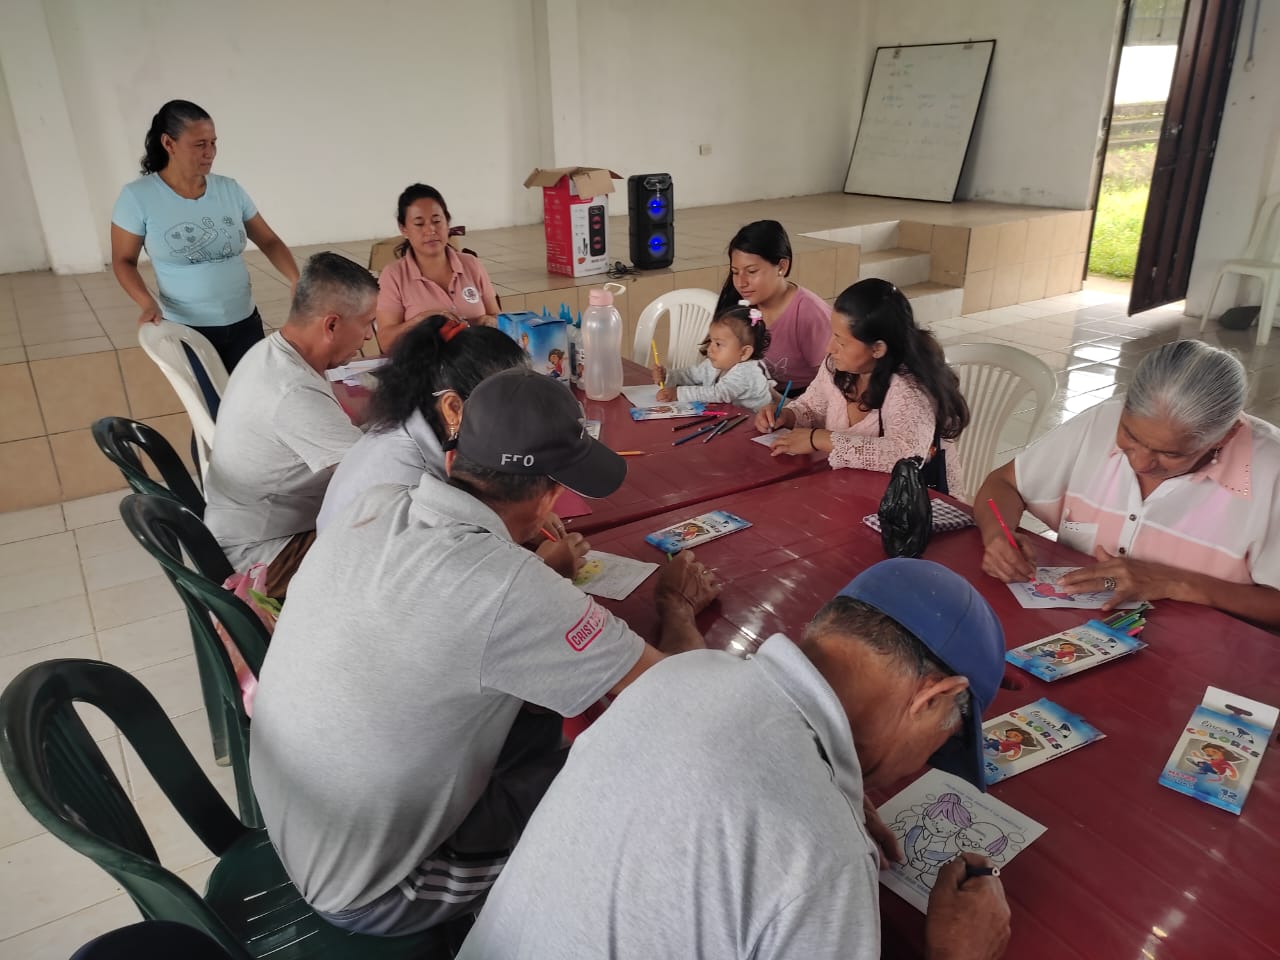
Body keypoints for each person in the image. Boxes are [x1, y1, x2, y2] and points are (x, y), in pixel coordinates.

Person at [248, 367, 721, 938]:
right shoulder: (508, 585)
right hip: (376, 886)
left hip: (298, 816)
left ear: (454, 459)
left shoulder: (378, 502)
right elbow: (678, 696)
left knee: (541, 716)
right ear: (550, 497)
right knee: (642, 788)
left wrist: (542, 581)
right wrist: (676, 607)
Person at [457, 559, 1012, 960]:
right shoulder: (824, 857)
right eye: (942, 740)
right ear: (933, 697)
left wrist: (825, 795)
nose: (924, 762)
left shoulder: (685, 674)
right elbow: (787, 835)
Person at [976, 339, 1280, 627]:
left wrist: (1177, 583)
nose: (1141, 463)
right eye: (1130, 436)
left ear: (1226, 436)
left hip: (1208, 650)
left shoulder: (1271, 471)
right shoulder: (1102, 420)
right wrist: (997, 535)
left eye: (1170, 453)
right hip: (1078, 629)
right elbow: (1003, 484)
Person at [315, 315, 586, 576]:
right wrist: (543, 570)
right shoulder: (407, 479)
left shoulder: (426, 425)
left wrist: (519, 512)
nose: (514, 425)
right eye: (504, 409)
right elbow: (447, 581)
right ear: (454, 408)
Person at [202, 252, 377, 596]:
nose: (370, 336)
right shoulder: (293, 392)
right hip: (264, 556)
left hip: (246, 526)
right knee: (399, 545)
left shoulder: (269, 352)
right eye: (367, 323)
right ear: (331, 325)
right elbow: (374, 479)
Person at [110, 100, 298, 375]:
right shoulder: (138, 197)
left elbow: (269, 241)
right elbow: (123, 261)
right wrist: (147, 303)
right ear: (169, 143)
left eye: (213, 143)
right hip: (187, 330)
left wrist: (296, 278)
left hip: (245, 322)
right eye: (199, 144)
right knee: (210, 401)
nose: (210, 152)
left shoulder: (229, 189)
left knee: (253, 398)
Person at [755, 278, 969, 498]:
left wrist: (818, 439)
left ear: (877, 349)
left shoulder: (910, 388)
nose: (830, 347)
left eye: (841, 341)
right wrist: (786, 416)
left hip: (911, 505)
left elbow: (905, 454)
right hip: (850, 491)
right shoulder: (837, 366)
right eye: (832, 334)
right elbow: (812, 407)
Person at [374, 183, 501, 350]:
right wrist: (423, 321)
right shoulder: (394, 275)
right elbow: (386, 343)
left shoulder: (471, 264)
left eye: (437, 221)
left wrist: (489, 321)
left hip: (476, 358)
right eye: (419, 224)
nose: (431, 230)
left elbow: (497, 316)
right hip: (423, 364)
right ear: (404, 229)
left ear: (447, 223)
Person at [714, 220, 831, 391]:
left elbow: (833, 384)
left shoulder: (810, 314)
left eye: (752, 271)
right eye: (735, 272)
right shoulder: (741, 307)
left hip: (797, 400)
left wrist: (787, 404)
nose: (741, 283)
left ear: (782, 267)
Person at [650, 305, 773, 408]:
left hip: (752, 423)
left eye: (718, 344)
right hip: (728, 416)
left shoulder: (747, 372)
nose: (710, 349)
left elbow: (719, 393)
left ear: (744, 352)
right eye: (711, 341)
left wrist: (678, 394)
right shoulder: (716, 363)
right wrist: (668, 376)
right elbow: (691, 374)